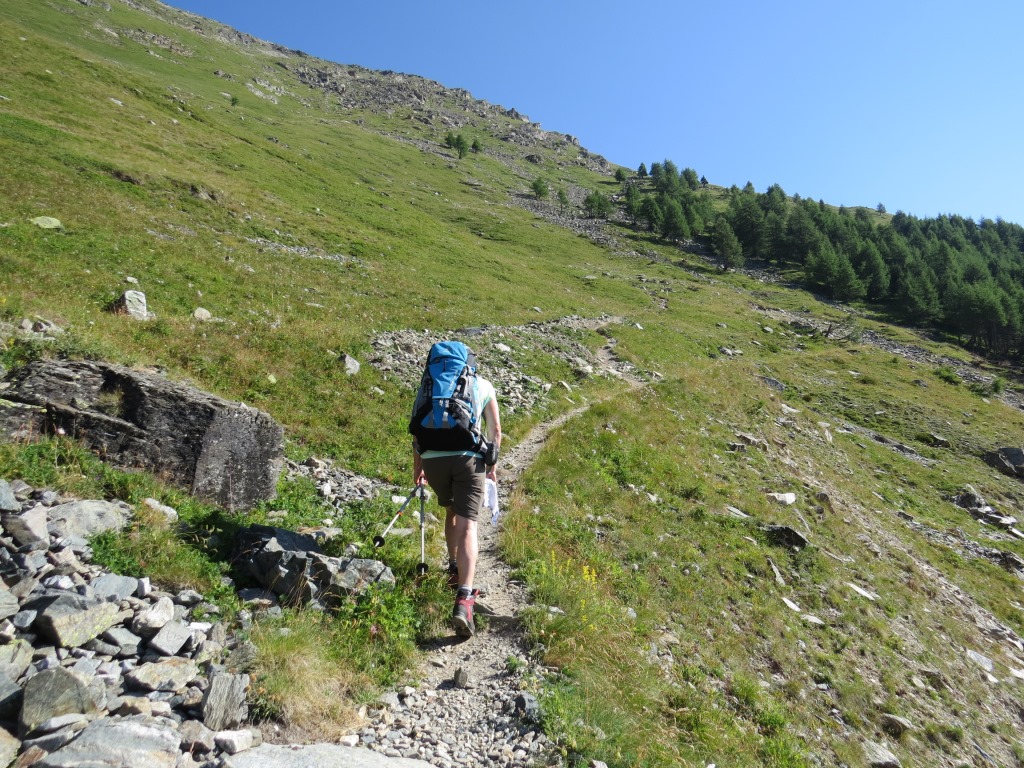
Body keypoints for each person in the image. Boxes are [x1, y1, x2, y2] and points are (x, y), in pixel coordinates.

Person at [412, 359, 501, 638]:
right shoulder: (483, 385)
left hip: (433, 459)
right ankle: (464, 599)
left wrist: (419, 467)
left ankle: (453, 567)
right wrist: (492, 467)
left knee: (451, 512)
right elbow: (495, 431)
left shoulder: (430, 386)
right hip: (468, 460)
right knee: (468, 525)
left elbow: (417, 429)